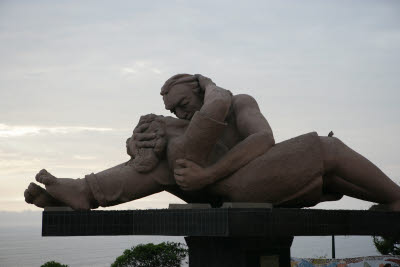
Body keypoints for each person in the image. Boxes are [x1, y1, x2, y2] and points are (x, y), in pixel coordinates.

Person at [24, 74, 400, 211]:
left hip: (243, 180)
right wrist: (135, 141)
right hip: (218, 190)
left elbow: (263, 139)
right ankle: (84, 193)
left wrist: (210, 174)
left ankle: (395, 197)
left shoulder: (237, 104)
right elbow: (148, 158)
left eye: (185, 104)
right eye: (173, 108)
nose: (181, 113)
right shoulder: (181, 128)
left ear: (202, 90)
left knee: (325, 148)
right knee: (166, 149)